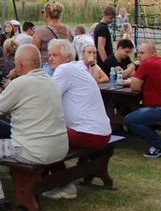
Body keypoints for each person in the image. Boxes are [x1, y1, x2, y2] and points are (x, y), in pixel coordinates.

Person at [0, 45, 69, 211]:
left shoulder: (21, 83)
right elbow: (15, 102)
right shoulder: (49, 80)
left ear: (20, 64)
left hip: (32, 150)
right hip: (59, 147)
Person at [43, 39, 112, 199]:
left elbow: (48, 98)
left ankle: (62, 184)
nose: (50, 58)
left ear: (68, 57)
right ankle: (49, 179)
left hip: (89, 133)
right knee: (50, 134)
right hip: (101, 131)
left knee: (44, 137)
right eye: (50, 54)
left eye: (55, 55)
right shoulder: (77, 68)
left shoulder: (65, 69)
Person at [33, 1, 73, 75]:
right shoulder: (68, 29)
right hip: (67, 66)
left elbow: (34, 54)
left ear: (46, 14)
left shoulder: (40, 32)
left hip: (48, 67)